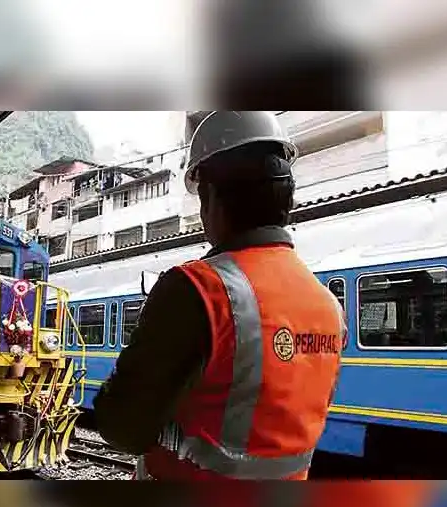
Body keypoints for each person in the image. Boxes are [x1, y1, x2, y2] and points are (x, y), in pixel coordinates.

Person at [93, 111, 347, 481]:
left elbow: (121, 427)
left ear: (210, 195)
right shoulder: (329, 307)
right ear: (285, 197)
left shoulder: (198, 289)